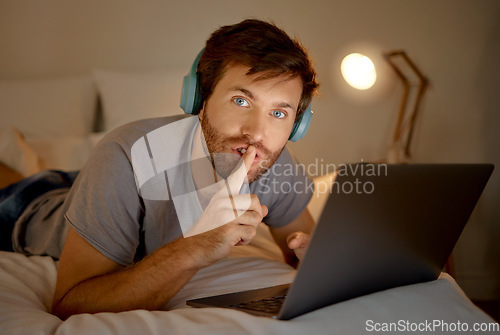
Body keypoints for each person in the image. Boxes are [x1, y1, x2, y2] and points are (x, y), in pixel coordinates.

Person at [1, 19, 319, 320]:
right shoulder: (125, 155)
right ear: (200, 96)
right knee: (17, 182)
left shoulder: (273, 160)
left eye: (278, 113)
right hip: (32, 205)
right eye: (241, 101)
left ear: (296, 126)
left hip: (89, 184)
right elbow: (70, 304)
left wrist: (314, 260)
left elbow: (299, 248)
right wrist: (199, 245)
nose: (257, 132)